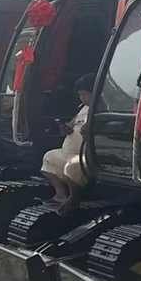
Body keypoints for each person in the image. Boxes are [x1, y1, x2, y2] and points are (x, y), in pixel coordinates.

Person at [41, 73, 95, 214]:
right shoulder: (83, 109)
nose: (82, 98)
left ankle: (74, 198)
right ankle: (60, 194)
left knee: (72, 166)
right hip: (68, 152)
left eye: (85, 94)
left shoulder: (100, 108)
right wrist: (64, 127)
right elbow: (70, 126)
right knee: (48, 157)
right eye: (80, 95)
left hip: (86, 155)